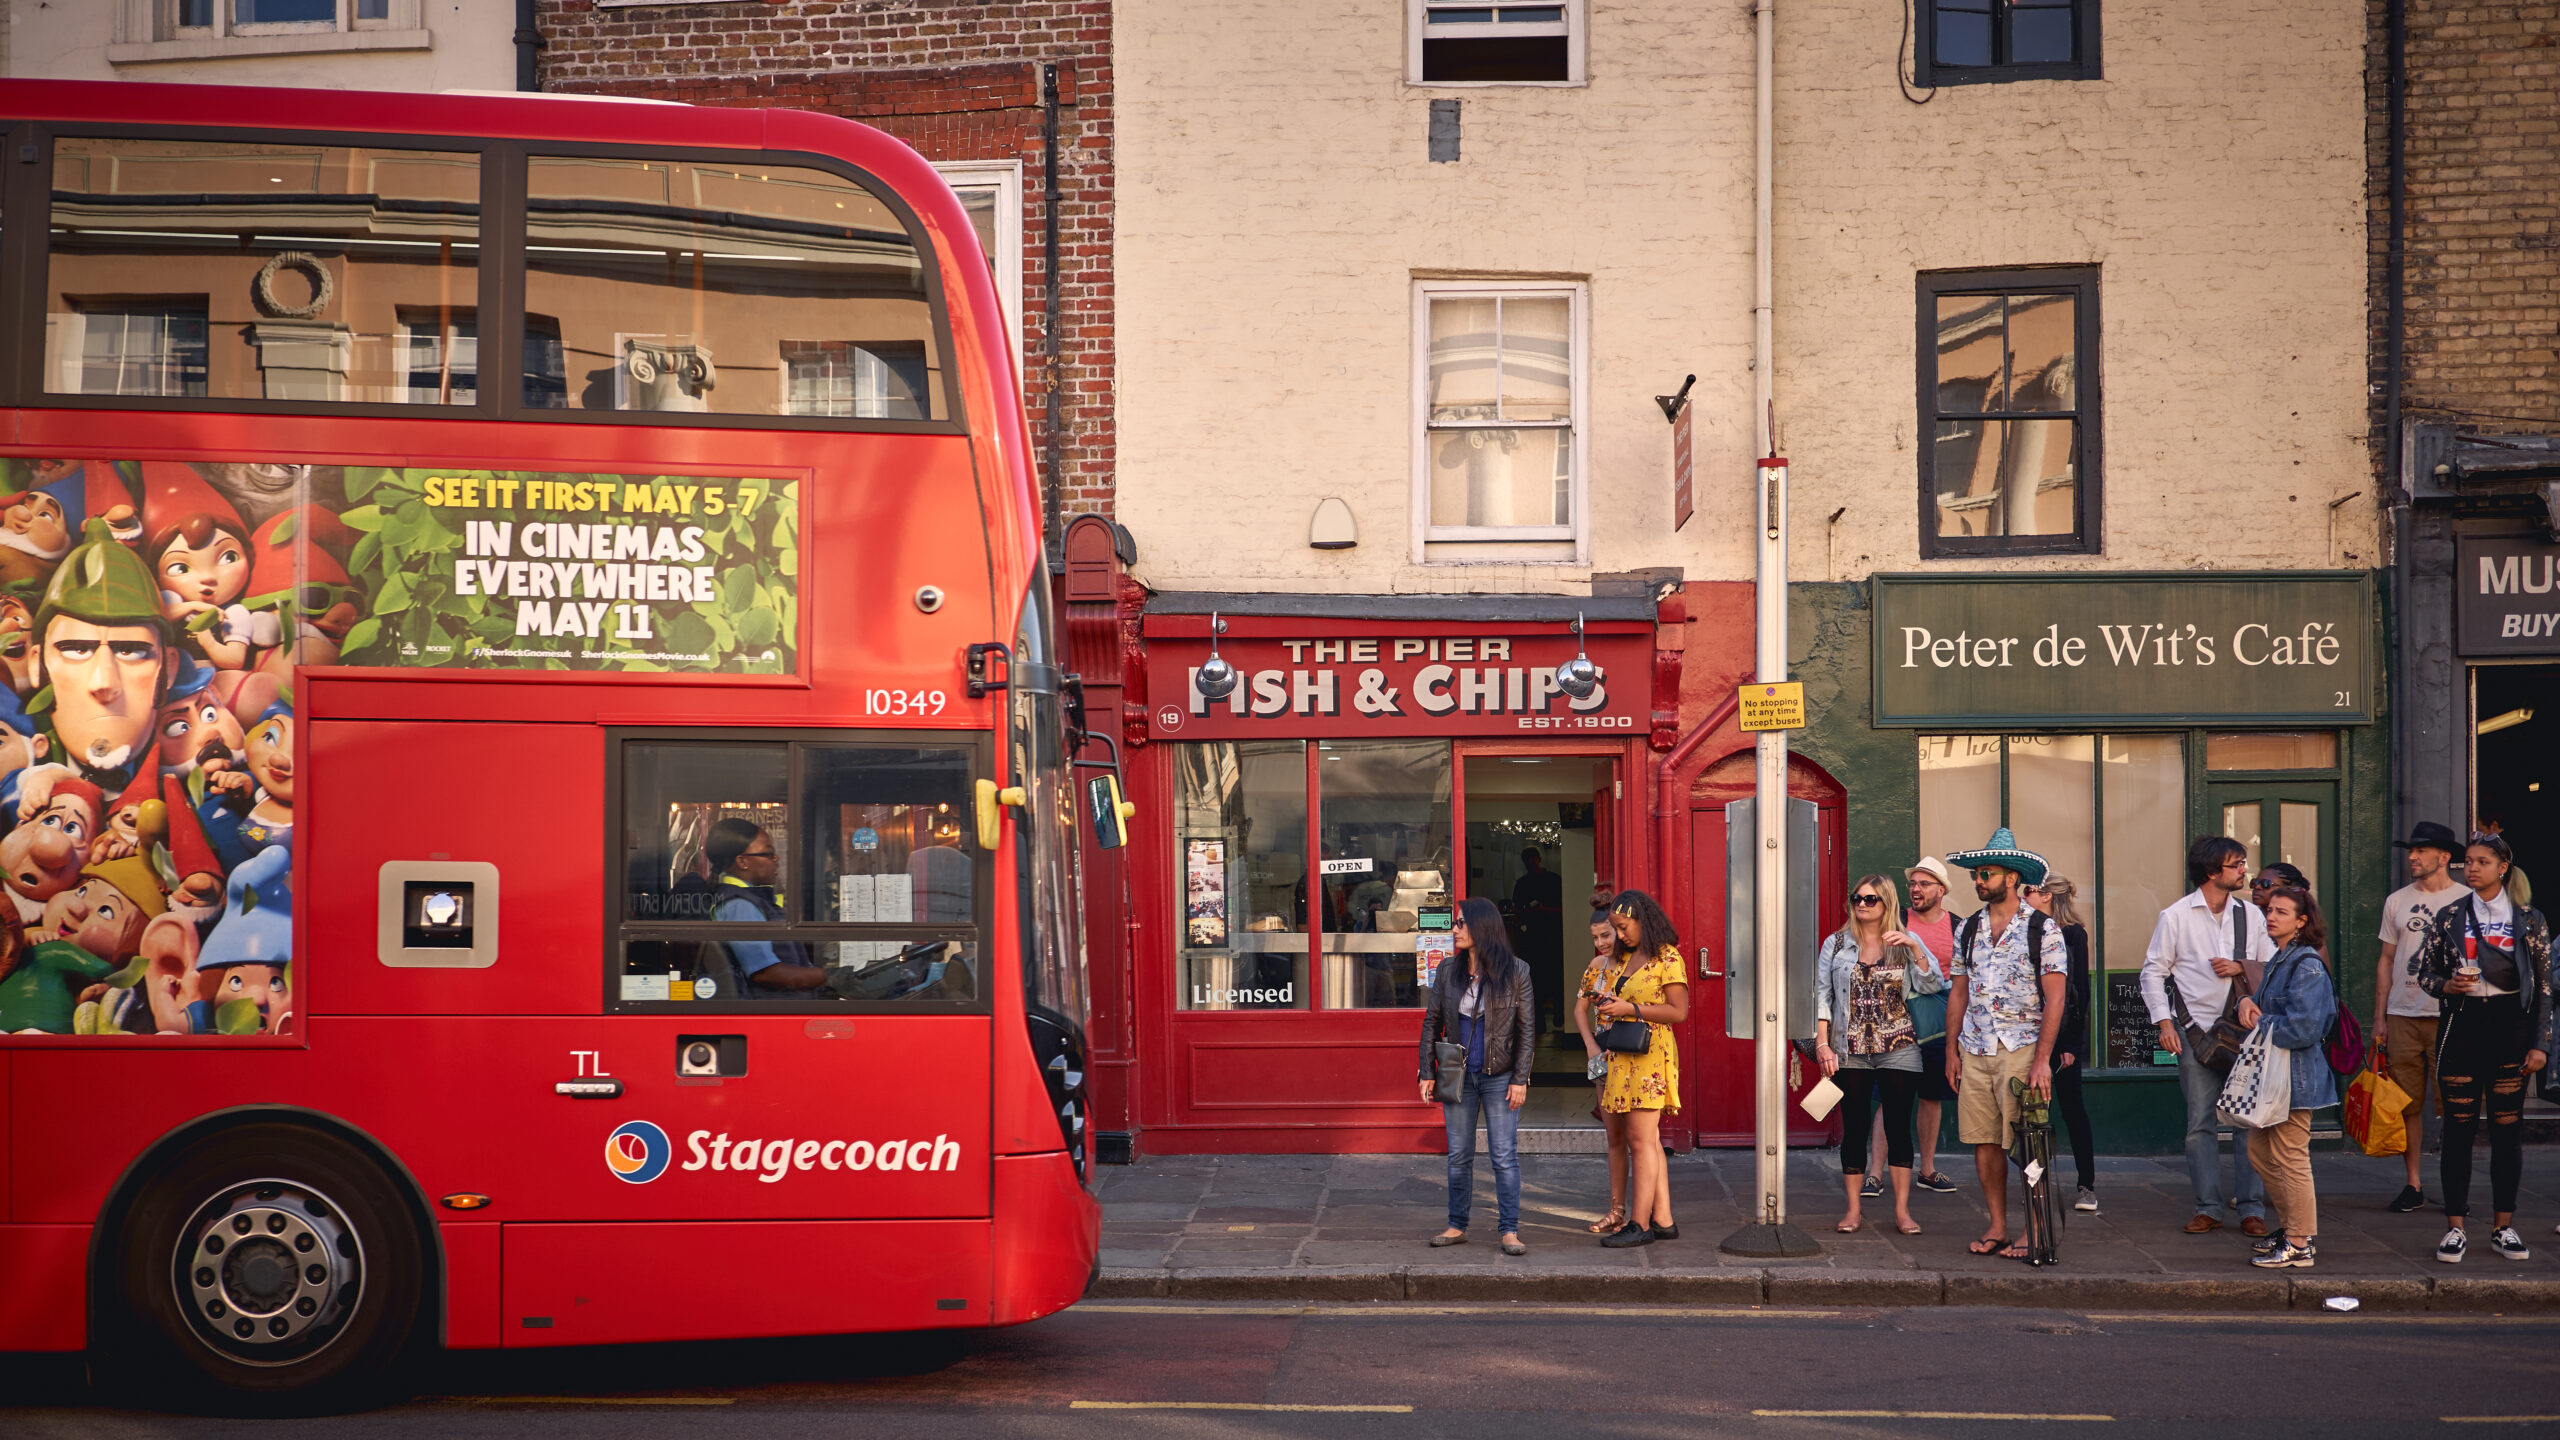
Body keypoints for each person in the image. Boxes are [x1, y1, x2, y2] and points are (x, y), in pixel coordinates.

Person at [2411, 832, 2553, 1263]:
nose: (2471, 868)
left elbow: (2545, 988)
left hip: (2511, 1028)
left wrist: (2541, 1043)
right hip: (2463, 1025)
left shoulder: (2529, 920)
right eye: (2468, 862)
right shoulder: (2450, 914)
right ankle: (2455, 1227)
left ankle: (2503, 1226)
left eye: (2482, 862)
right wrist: (2447, 984)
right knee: (2458, 1131)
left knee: (2508, 1131)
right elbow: (2424, 972)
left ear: (2502, 867)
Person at [1942, 828, 2068, 1259]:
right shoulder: (1969, 928)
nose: (1979, 880)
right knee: (1983, 1141)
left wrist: (2043, 1061)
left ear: (2012, 878)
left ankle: (2035, 1229)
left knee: (2028, 1141)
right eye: (1976, 874)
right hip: (1975, 1047)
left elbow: (2056, 998)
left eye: (1987, 873)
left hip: (2022, 1047)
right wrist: (1951, 1050)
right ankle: (1997, 1224)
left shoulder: (2042, 928)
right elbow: (1958, 991)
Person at [2141, 835, 2276, 1237]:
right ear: (2212, 871)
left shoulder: (2250, 915)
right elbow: (2153, 971)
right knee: (2200, 1123)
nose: (2243, 871)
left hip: (2244, 1033)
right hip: (2195, 1032)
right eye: (2236, 864)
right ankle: (2208, 1207)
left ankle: (2251, 1208)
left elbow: (2272, 963)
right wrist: (2165, 1023)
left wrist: (2240, 967)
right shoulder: (2176, 915)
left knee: (2246, 1120)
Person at [1814, 874, 1937, 1236]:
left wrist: (1915, 948)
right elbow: (1823, 996)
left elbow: (1935, 984)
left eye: (1871, 899)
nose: (1862, 905)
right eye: (1857, 898)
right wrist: (1822, 1044)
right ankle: (1853, 1210)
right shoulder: (1836, 944)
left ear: (1887, 903)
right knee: (1854, 1128)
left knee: (1899, 1128)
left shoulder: (1905, 942)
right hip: (1849, 1048)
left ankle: (1902, 1211)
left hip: (1899, 1047)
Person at [1418, 895, 1533, 1256]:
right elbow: (1431, 1023)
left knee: (1503, 1155)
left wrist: (1520, 1078)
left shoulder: (1517, 971)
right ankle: (1457, 1225)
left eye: (1461, 923)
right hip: (1458, 1074)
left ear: (1482, 927)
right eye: (1455, 923)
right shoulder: (1448, 970)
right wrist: (1427, 1071)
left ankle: (1509, 1230)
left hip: (1500, 1075)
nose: (1454, 929)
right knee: (1459, 1155)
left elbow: (1527, 1030)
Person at [2242, 885, 2341, 1270]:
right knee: (2260, 1152)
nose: (2271, 916)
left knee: (2291, 1157)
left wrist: (2259, 1020)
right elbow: (2265, 1005)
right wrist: (2245, 1002)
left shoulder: (2307, 965)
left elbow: (2304, 1029)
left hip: (2296, 1080)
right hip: (2274, 1078)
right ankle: (2292, 1229)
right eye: (2270, 910)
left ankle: (2300, 1242)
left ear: (2302, 922)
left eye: (2282, 912)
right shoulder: (2279, 959)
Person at [2375, 821, 2467, 1213]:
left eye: (2421, 850)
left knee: (2456, 1103)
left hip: (2451, 1015)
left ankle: (2454, 1182)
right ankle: (2413, 1183)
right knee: (2407, 1104)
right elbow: (2386, 961)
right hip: (2403, 1013)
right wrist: (2378, 1018)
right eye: (2410, 850)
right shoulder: (2396, 901)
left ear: (2443, 857)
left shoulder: (2467, 899)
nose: (2412, 856)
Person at [1591, 888, 1691, 1247]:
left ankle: (1640, 1223)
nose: (1620, 935)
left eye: (1624, 927)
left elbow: (1678, 1011)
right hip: (1623, 1054)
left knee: (1639, 1140)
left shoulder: (1667, 957)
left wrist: (1630, 1010)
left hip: (1651, 1055)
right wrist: (1611, 1005)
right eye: (1615, 928)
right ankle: (1662, 1219)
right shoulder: (1622, 958)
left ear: (1642, 921)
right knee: (1646, 1140)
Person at [2025, 875, 2099, 1213]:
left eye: (2029, 892)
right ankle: (2032, 1182)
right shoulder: (2027, 931)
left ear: (2047, 896)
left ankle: (2087, 1184)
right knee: (2031, 1114)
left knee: (2072, 1108)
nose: (2024, 897)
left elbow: (2078, 991)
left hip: (2061, 1035)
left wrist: (2071, 1043)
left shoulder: (2072, 933)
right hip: (2028, 1033)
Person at [705, 818, 830, 994]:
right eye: (768, 854)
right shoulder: (740, 904)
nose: (776, 859)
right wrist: (828, 977)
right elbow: (765, 972)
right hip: (769, 1009)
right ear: (742, 862)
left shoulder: (753, 898)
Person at [1902, 856, 1964, 1194]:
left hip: (1940, 1026)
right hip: (1897, 1022)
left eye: (1924, 884)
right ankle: (1874, 1174)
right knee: (1890, 1098)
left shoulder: (1958, 926)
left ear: (1941, 890)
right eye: (1913, 883)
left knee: (1931, 1097)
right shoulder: (1897, 919)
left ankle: (1927, 1169)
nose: (1915, 889)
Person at [1575, 904, 1634, 1235]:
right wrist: (1591, 1046)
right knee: (1614, 1137)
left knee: (1643, 1140)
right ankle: (1616, 1210)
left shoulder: (1636, 964)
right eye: (1595, 937)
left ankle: (1648, 1212)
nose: (1601, 943)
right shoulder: (1596, 967)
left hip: (1635, 1058)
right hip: (1603, 1059)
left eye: (1606, 935)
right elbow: (1579, 1010)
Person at [1512, 846, 1566, 1032]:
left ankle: (1557, 1016)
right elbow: (1517, 911)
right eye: (1527, 860)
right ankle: (1546, 1020)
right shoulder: (1548, 880)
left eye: (1531, 859)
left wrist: (1542, 911)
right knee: (1540, 980)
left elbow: (1565, 908)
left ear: (1538, 859)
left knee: (1550, 978)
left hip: (1547, 936)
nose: (1530, 863)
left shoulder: (1549, 881)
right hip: (1539, 937)